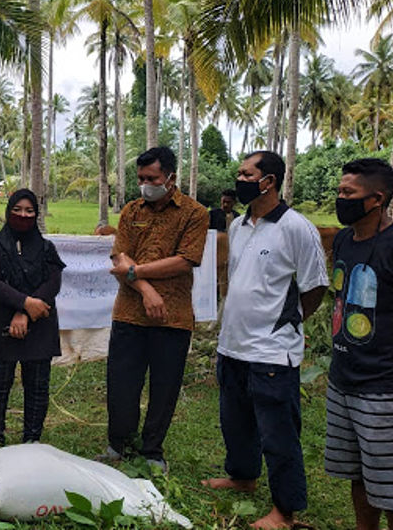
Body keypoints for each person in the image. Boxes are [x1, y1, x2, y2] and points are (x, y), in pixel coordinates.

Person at [201, 150, 328, 530]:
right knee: (235, 421)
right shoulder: (239, 225)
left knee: (278, 433)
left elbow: (315, 287)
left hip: (272, 352)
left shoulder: (296, 228)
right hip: (233, 345)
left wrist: (288, 323)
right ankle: (242, 476)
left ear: (268, 181)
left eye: (245, 173)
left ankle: (284, 511)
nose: (238, 179)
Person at [325, 158, 393, 530]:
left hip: (388, 390)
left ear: (376, 199)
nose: (340, 198)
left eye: (349, 193)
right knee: (360, 474)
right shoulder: (345, 239)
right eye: (339, 190)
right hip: (343, 380)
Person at [104, 146, 209, 472]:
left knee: (164, 387)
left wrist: (136, 273)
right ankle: (118, 446)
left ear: (171, 178)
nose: (145, 184)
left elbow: (185, 260)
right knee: (121, 383)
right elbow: (120, 257)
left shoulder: (195, 214)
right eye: (141, 178)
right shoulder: (131, 211)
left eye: (152, 178)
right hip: (129, 314)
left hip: (173, 318)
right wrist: (147, 290)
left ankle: (152, 451)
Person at [0, 189, 65, 447]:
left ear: (36, 215)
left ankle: (32, 440)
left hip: (40, 322)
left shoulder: (47, 248)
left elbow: (53, 283)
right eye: (17, 210)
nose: (23, 216)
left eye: (29, 211)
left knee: (37, 386)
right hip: (0, 322)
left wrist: (26, 312)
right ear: (8, 211)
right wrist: (24, 303)